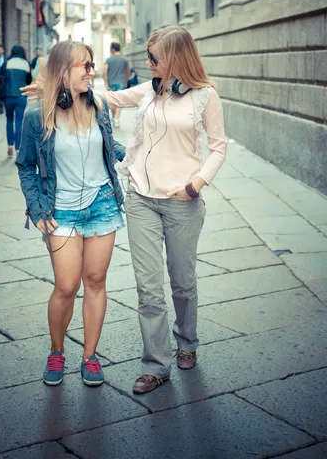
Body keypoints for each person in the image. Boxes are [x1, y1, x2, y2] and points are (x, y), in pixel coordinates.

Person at [22, 26, 227, 395]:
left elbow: (218, 146)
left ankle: (186, 344)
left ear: (175, 60)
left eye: (153, 59)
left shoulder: (204, 97)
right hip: (138, 201)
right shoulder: (147, 91)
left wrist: (197, 184)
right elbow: (108, 98)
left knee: (181, 283)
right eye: (148, 58)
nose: (148, 65)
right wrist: (51, 88)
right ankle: (155, 366)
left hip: (180, 200)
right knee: (144, 288)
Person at [16, 40, 125, 388]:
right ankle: (57, 351)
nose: (92, 72)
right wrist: (36, 211)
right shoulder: (37, 116)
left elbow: (111, 145)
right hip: (59, 209)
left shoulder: (99, 107)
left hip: (102, 203)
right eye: (85, 66)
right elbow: (25, 166)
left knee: (95, 281)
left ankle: (90, 357)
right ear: (64, 71)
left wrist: (139, 152)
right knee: (66, 285)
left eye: (92, 65)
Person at [0, 44, 31, 157]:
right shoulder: (25, 64)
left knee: (9, 120)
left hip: (8, 96)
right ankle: (18, 148)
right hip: (21, 96)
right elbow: (29, 80)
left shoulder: (7, 63)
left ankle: (9, 145)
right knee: (19, 121)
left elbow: (1, 79)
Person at [103, 42, 130, 128]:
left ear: (113, 49)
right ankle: (116, 119)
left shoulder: (109, 59)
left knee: (112, 101)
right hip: (121, 83)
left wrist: (106, 83)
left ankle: (114, 117)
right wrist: (126, 81)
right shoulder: (124, 59)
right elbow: (128, 71)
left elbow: (105, 72)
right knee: (119, 101)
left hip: (111, 84)